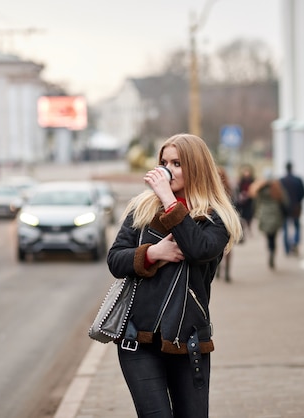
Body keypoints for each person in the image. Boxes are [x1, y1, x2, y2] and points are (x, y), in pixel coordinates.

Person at [107, 133, 242, 417]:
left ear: (197, 167)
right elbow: (115, 259)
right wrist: (152, 253)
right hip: (138, 340)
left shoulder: (215, 217)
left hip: (189, 342)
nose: (167, 170)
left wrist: (169, 200)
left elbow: (197, 248)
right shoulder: (142, 208)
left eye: (177, 163)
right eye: (164, 162)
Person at [249, 167, 289, 270]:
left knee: (268, 235)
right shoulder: (277, 187)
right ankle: (272, 250)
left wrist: (256, 213)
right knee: (274, 236)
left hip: (264, 214)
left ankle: (270, 249)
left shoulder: (260, 188)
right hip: (275, 214)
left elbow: (255, 200)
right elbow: (284, 200)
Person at [280, 161, 304, 255]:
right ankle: (295, 242)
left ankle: (287, 248)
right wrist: (298, 201)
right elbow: (303, 192)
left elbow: (279, 196)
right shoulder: (298, 180)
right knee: (297, 226)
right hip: (296, 207)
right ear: (292, 168)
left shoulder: (281, 181)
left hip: (284, 208)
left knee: (285, 228)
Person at [216, 166, 235, 282]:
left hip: (219, 221)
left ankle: (219, 269)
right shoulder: (228, 189)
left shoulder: (210, 189)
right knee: (228, 248)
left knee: (219, 247)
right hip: (228, 220)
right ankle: (226, 272)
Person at [235, 164, 255, 241]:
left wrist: (248, 194)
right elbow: (238, 190)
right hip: (242, 201)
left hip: (249, 201)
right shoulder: (241, 181)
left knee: (249, 216)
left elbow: (253, 190)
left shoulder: (252, 180)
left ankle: (249, 229)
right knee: (242, 217)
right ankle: (243, 231)